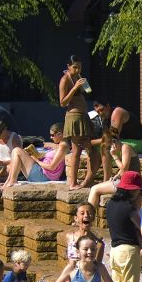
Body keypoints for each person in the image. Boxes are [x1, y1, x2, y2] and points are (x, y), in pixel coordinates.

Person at [106, 171, 142, 282]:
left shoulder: (110, 204)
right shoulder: (129, 208)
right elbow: (141, 225)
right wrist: (139, 208)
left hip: (114, 250)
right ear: (132, 190)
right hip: (128, 250)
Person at [59, 55, 93, 190]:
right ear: (68, 66)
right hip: (73, 117)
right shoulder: (64, 80)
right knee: (76, 150)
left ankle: (87, 180)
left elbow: (88, 91)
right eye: (75, 67)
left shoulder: (78, 77)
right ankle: (73, 183)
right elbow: (62, 102)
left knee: (89, 148)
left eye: (79, 67)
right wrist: (74, 88)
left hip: (83, 115)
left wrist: (83, 84)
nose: (78, 69)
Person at [1, 122, 69, 188]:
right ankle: (9, 180)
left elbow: (52, 167)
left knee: (17, 151)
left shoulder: (62, 147)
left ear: (60, 134)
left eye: (52, 135)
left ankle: (12, 180)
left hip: (44, 176)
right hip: (42, 172)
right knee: (15, 151)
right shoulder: (61, 146)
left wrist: (37, 161)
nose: (51, 137)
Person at [87, 129, 141, 209]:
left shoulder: (125, 147)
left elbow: (124, 169)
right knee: (97, 187)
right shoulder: (122, 149)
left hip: (130, 183)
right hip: (127, 180)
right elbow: (123, 171)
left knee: (94, 189)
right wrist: (117, 175)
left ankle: (89, 215)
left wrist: (114, 156)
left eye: (109, 147)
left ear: (114, 142)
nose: (109, 150)